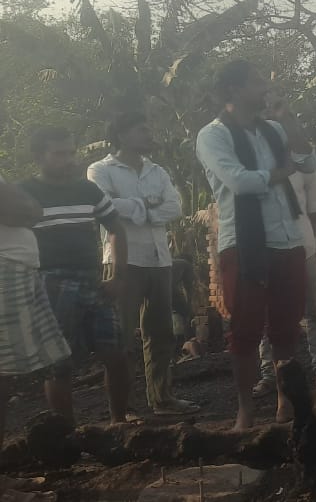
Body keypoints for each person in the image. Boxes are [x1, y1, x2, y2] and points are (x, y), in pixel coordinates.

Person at [196, 59, 316, 431]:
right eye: (257, 81)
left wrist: (288, 118)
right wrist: (279, 173)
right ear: (233, 90)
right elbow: (240, 181)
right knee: (245, 331)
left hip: (287, 238)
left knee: (286, 328)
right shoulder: (213, 135)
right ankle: (245, 411)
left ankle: (285, 403)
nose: (265, 86)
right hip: (245, 243)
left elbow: (307, 161)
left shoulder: (274, 129)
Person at [88, 112, 199, 416]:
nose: (150, 135)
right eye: (142, 130)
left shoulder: (157, 171)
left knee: (161, 334)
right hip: (123, 262)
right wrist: (149, 204)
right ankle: (125, 408)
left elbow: (174, 207)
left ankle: (162, 399)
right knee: (122, 337)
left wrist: (138, 210)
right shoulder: (100, 169)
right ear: (122, 135)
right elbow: (105, 207)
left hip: (159, 259)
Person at [20, 126, 131, 425]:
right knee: (59, 363)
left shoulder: (87, 189)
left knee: (116, 354)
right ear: (39, 156)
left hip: (93, 281)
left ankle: (118, 424)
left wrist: (118, 276)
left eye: (71, 153)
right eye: (59, 154)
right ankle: (66, 434)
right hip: (50, 282)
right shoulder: (24, 193)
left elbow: (116, 229)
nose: (68, 160)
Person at [251, 99, 316, 395]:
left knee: (314, 312)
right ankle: (270, 374)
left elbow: (314, 212)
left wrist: (309, 244)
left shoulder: (305, 164)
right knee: (268, 315)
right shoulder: (257, 163)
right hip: (268, 247)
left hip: (303, 247)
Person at [0, 173, 71, 445]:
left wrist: (23, 206)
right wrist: (22, 205)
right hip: (6, 270)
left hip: (18, 269)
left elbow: (32, 211)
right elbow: (22, 210)